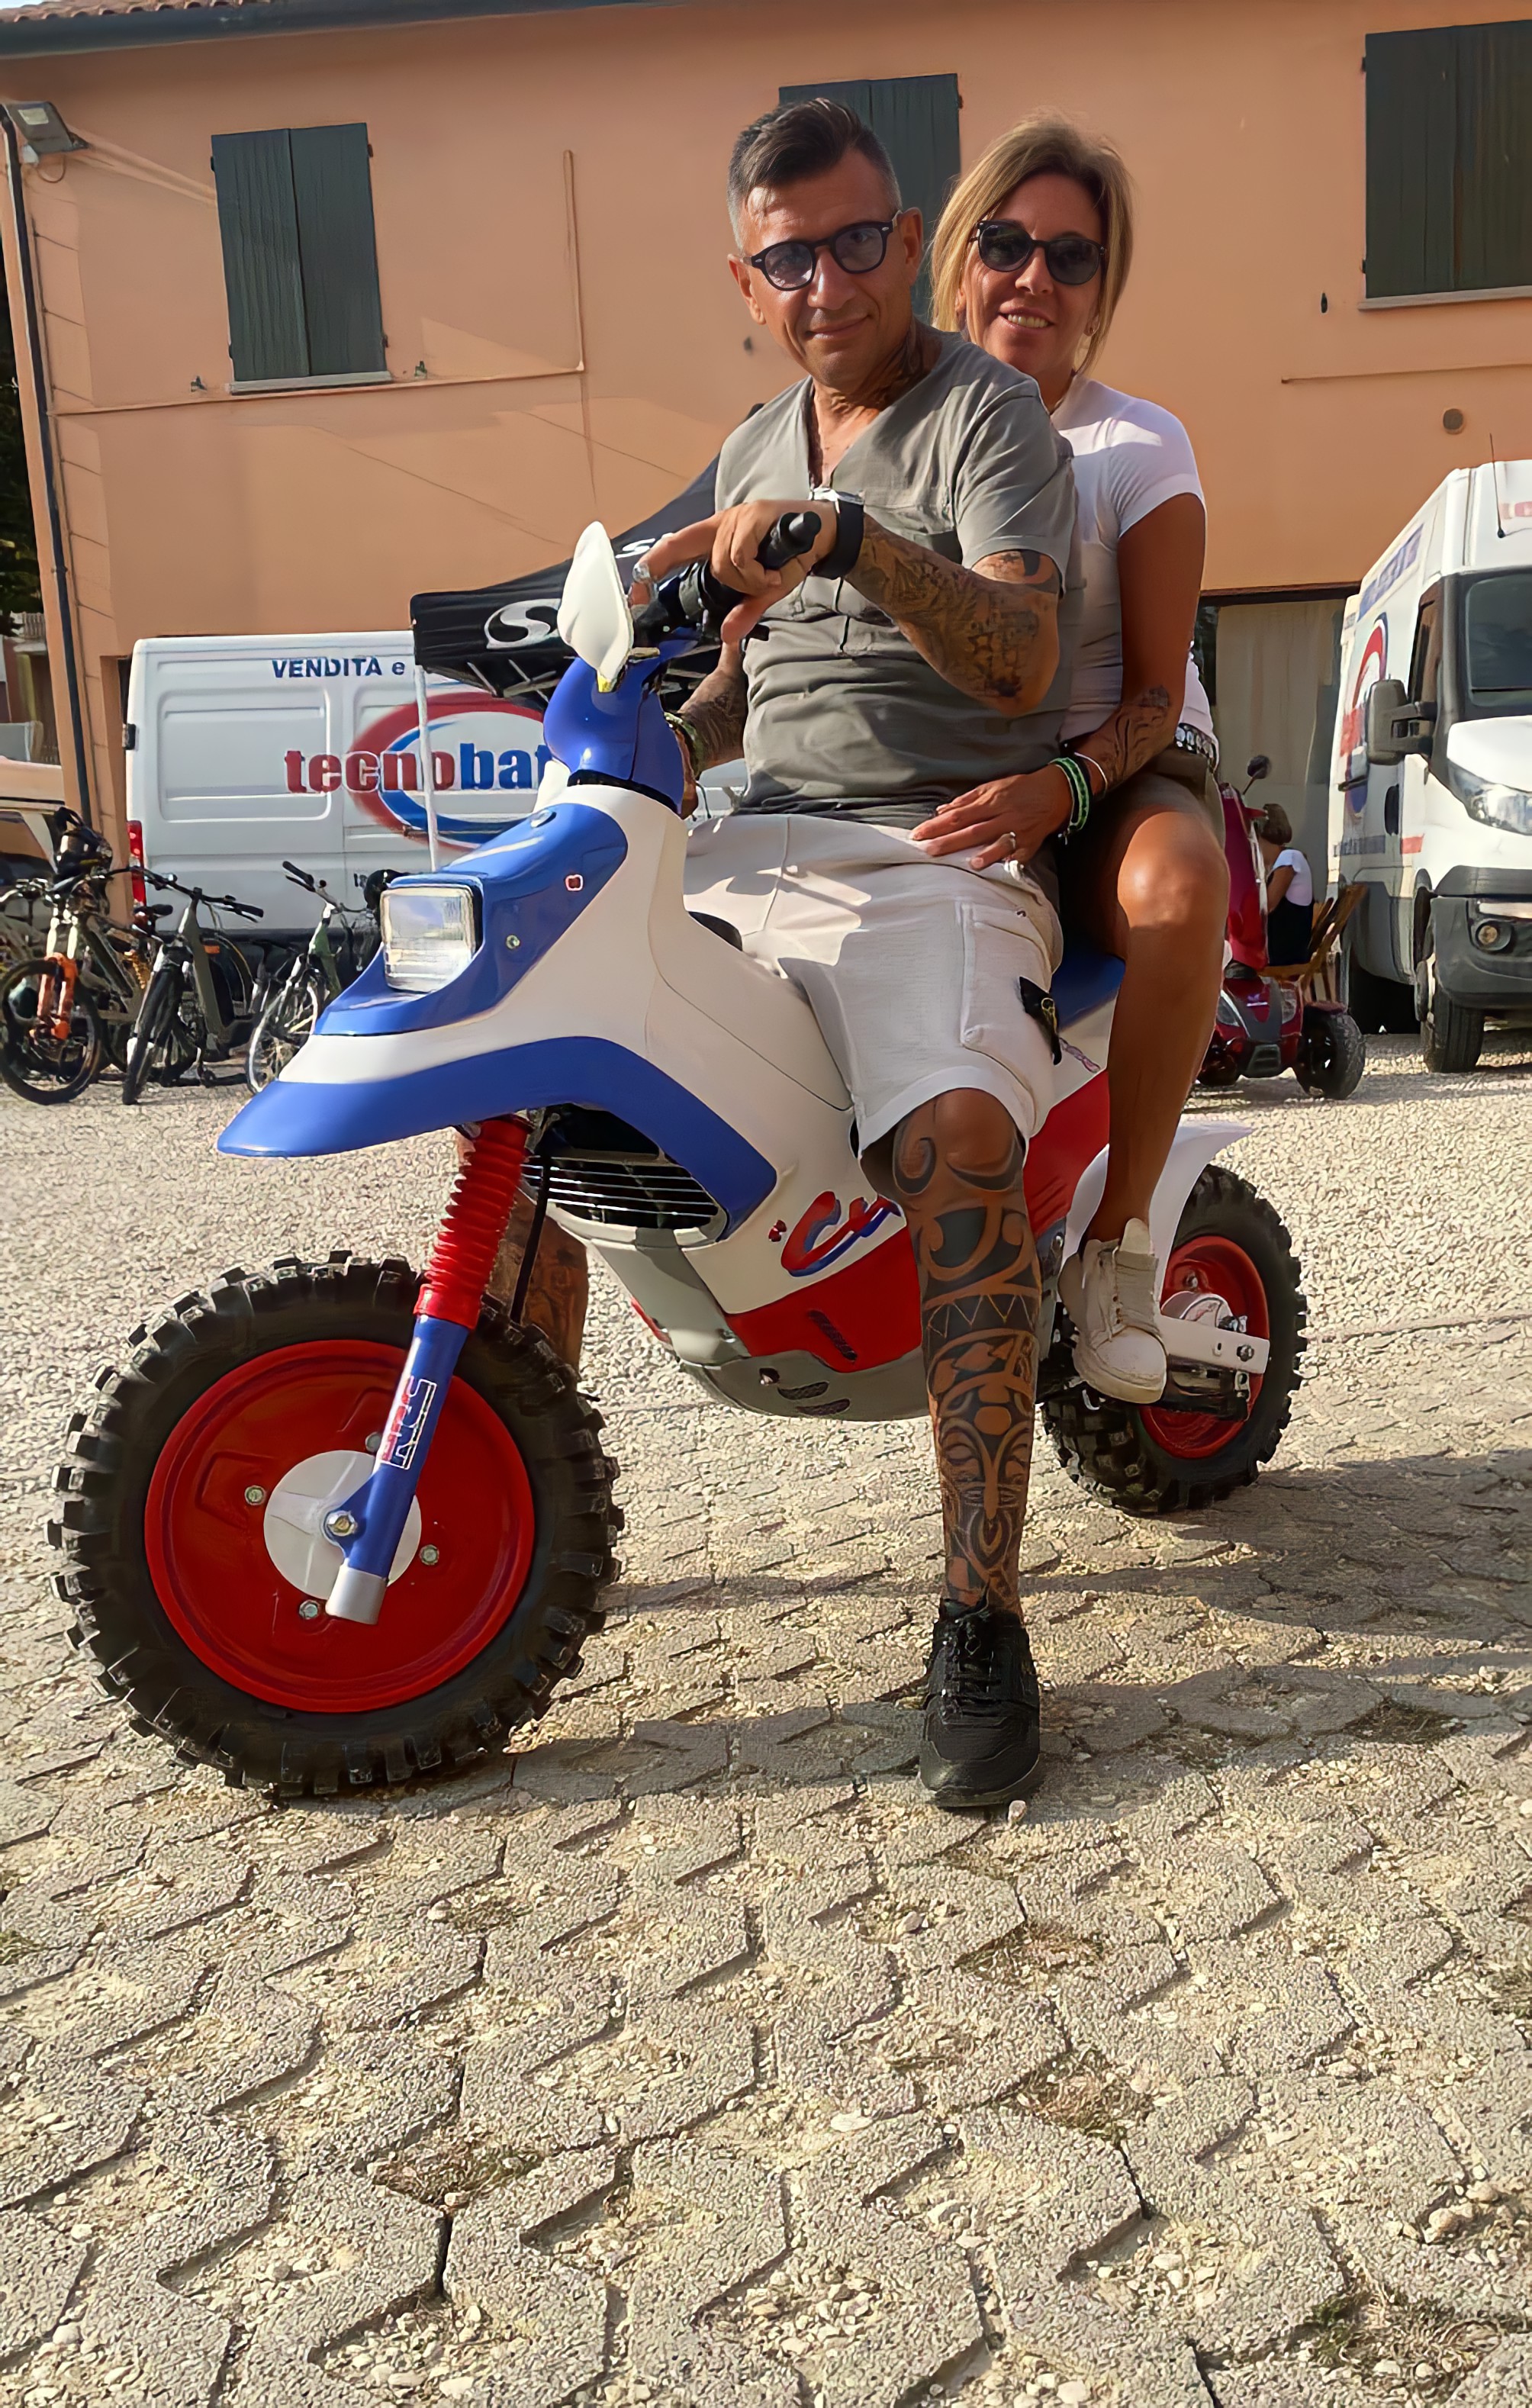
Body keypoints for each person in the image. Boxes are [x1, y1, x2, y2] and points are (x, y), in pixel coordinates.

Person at [634, 97, 1082, 1808]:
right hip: (751, 842)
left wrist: (853, 541)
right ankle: (517, 1510)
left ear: (903, 242)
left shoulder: (985, 416)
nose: (822, 283)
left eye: (851, 243)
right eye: (785, 259)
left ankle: (980, 1612)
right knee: (537, 1059)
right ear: (742, 281)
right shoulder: (750, 444)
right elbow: (739, 692)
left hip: (930, 850)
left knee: (958, 1142)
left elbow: (1017, 652)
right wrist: (645, 739)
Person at [919, 117, 1230, 1406]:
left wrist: (1064, 787)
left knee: (1178, 888)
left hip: (1114, 776)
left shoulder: (1133, 446)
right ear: (958, 260)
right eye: (1005, 243)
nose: (1033, 278)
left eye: (1071, 256)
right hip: (956, 775)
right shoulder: (893, 437)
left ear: (1102, 291)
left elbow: (1155, 692)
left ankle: (1118, 1246)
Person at [1257, 803, 1315, 967]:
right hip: (1285, 947)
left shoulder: (1289, 859)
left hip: (1285, 952)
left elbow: (1268, 905)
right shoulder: (1287, 859)